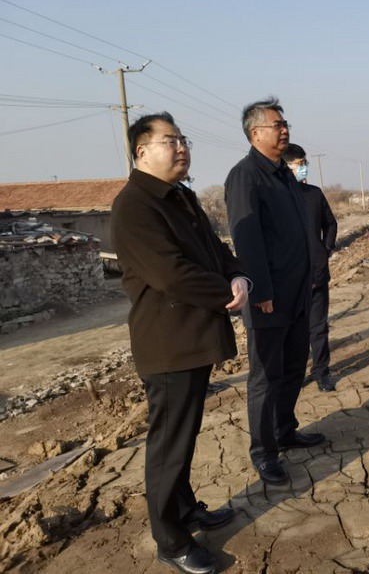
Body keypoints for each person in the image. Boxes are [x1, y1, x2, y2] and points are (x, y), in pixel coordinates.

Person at [111, 112, 249, 574]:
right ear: (142, 151)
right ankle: (170, 540)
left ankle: (186, 511)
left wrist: (237, 274)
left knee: (184, 436)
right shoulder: (135, 205)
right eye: (169, 141)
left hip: (191, 336)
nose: (181, 147)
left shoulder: (181, 197)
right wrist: (225, 292)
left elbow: (215, 248)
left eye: (183, 139)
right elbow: (170, 273)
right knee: (169, 445)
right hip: (167, 344)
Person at [224, 97, 326, 487]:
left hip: (299, 291)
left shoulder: (283, 174)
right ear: (255, 133)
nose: (284, 130)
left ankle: (285, 431)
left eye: (286, 125)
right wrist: (261, 291)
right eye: (277, 125)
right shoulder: (246, 175)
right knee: (265, 377)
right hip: (268, 297)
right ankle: (264, 453)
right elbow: (247, 237)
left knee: (293, 367)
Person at [283, 143, 338, 392]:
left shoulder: (314, 194)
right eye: (299, 164)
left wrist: (325, 250)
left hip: (316, 272)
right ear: (286, 167)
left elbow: (331, 223)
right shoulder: (276, 197)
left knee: (318, 327)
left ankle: (321, 372)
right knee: (293, 330)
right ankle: (294, 374)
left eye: (305, 163)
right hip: (289, 277)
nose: (304, 167)